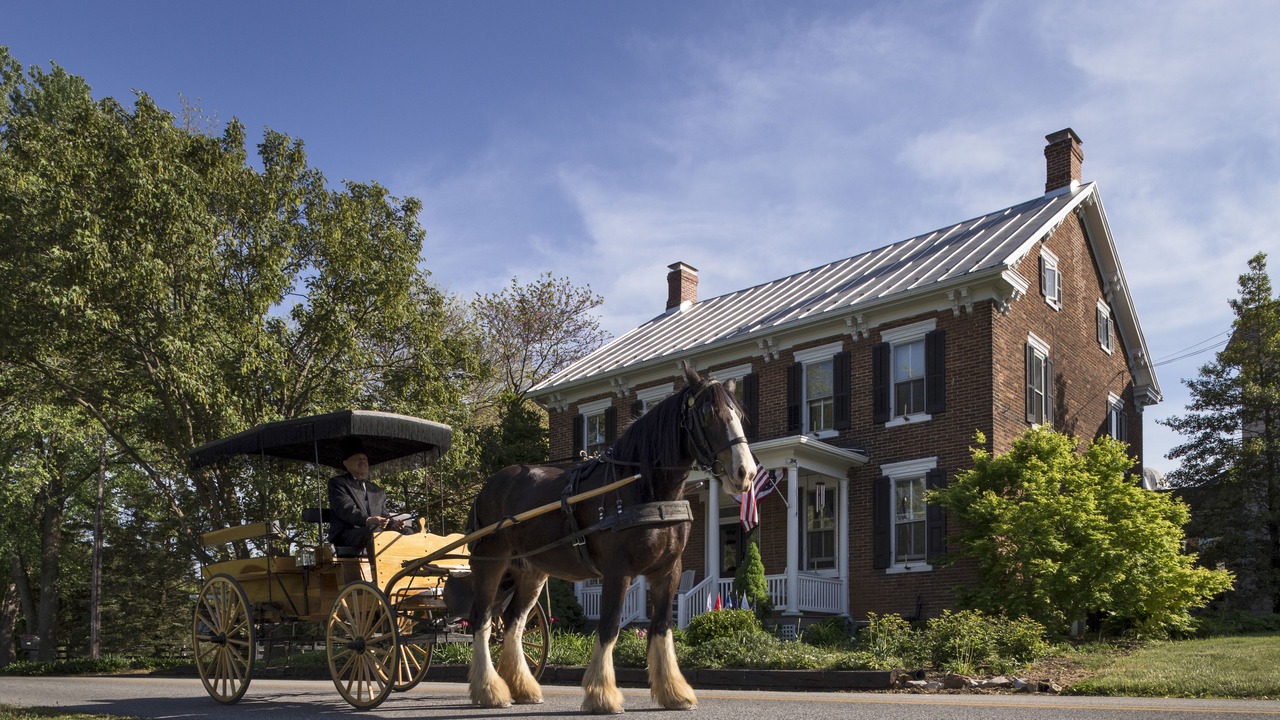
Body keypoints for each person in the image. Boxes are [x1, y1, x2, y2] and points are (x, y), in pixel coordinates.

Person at [327, 436, 404, 555]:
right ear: (346, 464)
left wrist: (392, 524)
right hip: (346, 534)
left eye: (365, 459)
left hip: (374, 530)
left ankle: (408, 566)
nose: (362, 461)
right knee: (374, 531)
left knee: (407, 533)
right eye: (357, 459)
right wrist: (368, 520)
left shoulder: (377, 490)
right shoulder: (338, 483)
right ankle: (378, 567)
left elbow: (384, 514)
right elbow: (346, 509)